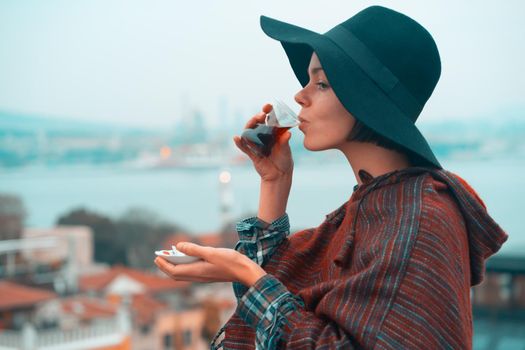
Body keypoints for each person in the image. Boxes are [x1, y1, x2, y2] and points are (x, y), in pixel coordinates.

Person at [154, 5, 508, 349]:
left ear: (365, 100)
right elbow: (279, 297)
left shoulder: (421, 218)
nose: (300, 95)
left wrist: (247, 274)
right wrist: (275, 182)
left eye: (321, 83)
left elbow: (294, 318)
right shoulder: (374, 205)